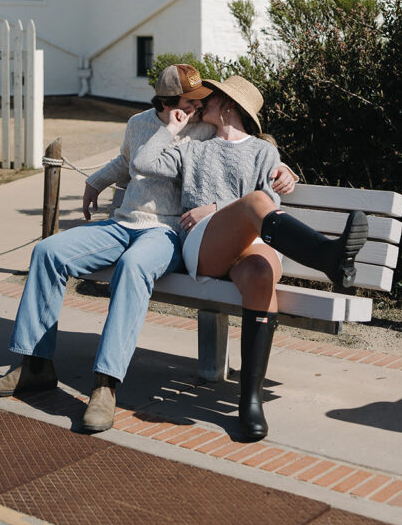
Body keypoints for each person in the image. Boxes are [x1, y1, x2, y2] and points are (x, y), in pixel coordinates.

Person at [0, 64, 296, 434]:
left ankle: (105, 385)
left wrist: (286, 170)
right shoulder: (140, 123)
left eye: (202, 99)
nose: (199, 104)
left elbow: (243, 152)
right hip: (123, 222)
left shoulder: (202, 128)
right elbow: (129, 160)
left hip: (164, 233)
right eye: (190, 100)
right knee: (47, 253)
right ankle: (34, 365)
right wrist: (95, 182)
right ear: (166, 103)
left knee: (133, 267)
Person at [132, 74, 368, 441]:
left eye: (212, 98)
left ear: (228, 105)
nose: (202, 102)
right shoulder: (193, 147)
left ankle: (250, 401)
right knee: (257, 202)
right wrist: (172, 131)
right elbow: (143, 162)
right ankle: (326, 256)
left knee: (260, 270)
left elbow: (273, 207)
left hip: (251, 249)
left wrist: (221, 201)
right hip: (205, 246)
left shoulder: (263, 152)